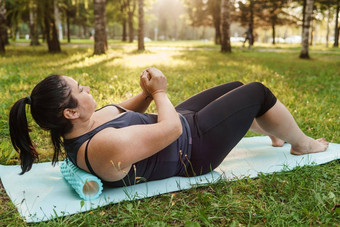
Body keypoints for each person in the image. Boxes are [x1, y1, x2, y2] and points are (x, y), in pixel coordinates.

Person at [9, 67, 329, 187]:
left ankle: (273, 128)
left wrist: (147, 93)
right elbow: (171, 132)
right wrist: (160, 93)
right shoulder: (103, 149)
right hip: (193, 149)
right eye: (81, 90)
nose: (87, 90)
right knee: (257, 91)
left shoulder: (85, 124)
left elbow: (123, 110)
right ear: (69, 113)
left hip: (180, 123)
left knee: (236, 86)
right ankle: (302, 144)